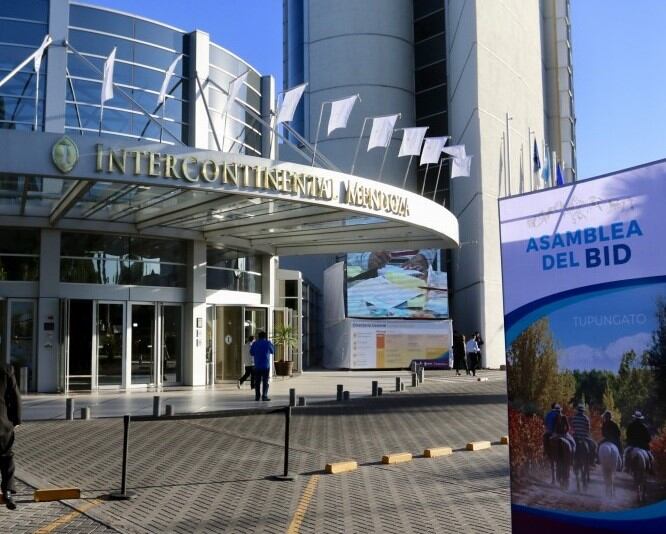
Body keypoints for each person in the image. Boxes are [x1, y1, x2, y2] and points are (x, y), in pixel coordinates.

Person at [0, 363, 21, 510]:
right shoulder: (6, 369)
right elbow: (15, 396)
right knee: (6, 457)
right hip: (2, 424)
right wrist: (16, 420)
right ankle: (7, 492)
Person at [250, 331, 274, 402]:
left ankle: (257, 397)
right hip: (266, 366)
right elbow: (272, 351)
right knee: (265, 381)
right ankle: (264, 396)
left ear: (258, 337)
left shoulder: (255, 343)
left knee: (257, 382)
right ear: (265, 337)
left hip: (257, 366)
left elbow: (251, 353)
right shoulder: (268, 343)